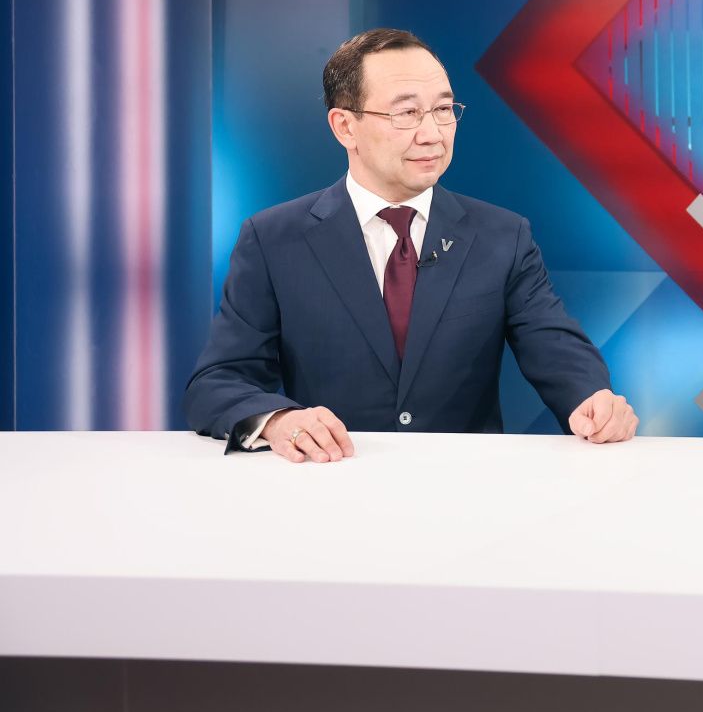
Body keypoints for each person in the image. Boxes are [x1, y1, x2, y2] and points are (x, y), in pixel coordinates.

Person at [185, 29, 638, 462]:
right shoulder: (274, 239)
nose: (433, 134)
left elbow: (555, 348)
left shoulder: (502, 236)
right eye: (406, 113)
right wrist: (280, 421)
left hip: (465, 491)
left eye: (443, 109)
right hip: (330, 482)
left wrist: (592, 399)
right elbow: (217, 382)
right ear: (345, 127)